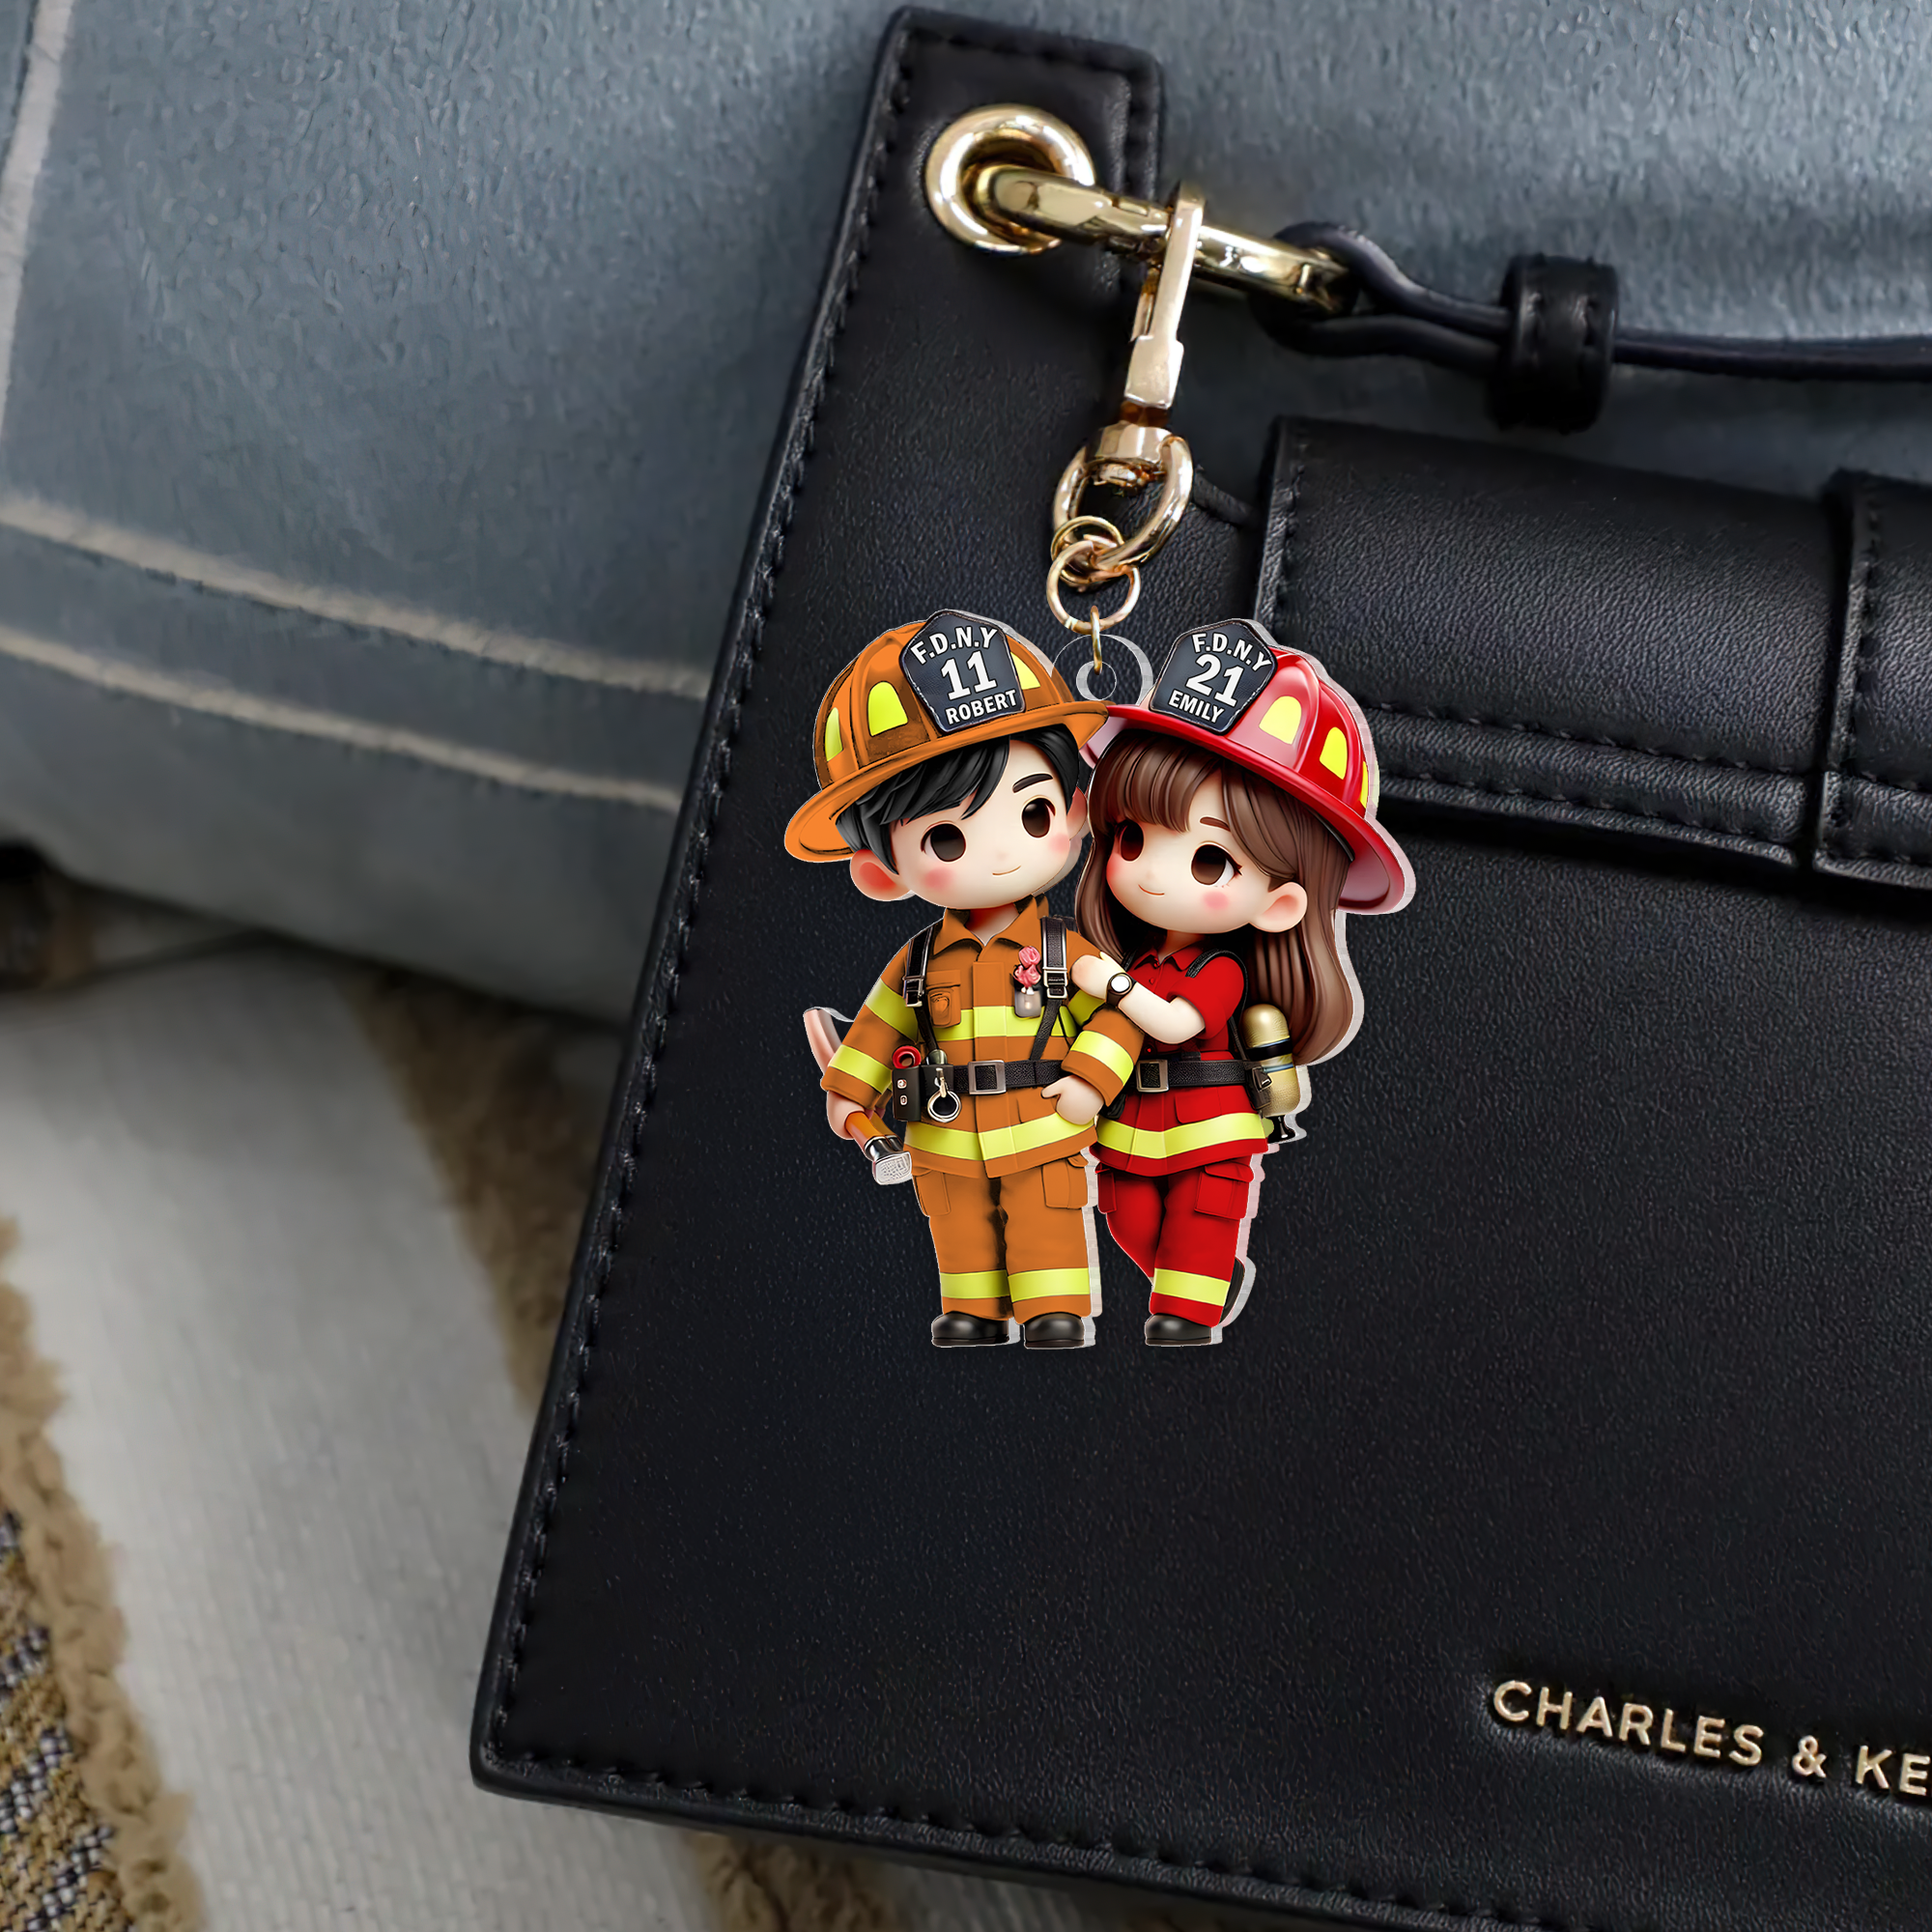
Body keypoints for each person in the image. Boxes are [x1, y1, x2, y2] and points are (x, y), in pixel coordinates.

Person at [784, 610, 1143, 1350]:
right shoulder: (917, 963)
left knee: (1046, 1219)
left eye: (1033, 813)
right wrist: (849, 1094)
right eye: (945, 838)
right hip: (944, 1138)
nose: (1002, 854)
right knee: (958, 1228)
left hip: (1044, 1125)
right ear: (881, 873)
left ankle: (1054, 1309)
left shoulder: (1062, 948)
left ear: (1075, 813)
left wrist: (1091, 1079)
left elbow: (1120, 1012)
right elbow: (875, 1032)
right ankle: (974, 1310)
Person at [1070, 618, 1415, 1346]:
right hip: (1132, 1123)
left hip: (1213, 1123)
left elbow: (1175, 1024)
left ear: (1279, 903)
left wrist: (1112, 986)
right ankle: (1201, 1283)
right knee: (1126, 1217)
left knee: (1199, 1230)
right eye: (1133, 837)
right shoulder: (1137, 960)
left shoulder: (1219, 970)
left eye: (1208, 862)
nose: (1152, 873)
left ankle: (1190, 1313)